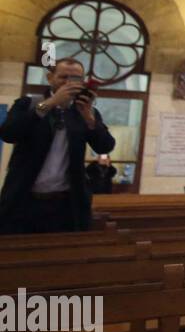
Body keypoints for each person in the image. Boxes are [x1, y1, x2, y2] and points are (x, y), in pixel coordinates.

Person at [0, 57, 116, 234]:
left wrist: (91, 121)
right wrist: (50, 103)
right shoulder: (28, 104)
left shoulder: (85, 111)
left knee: (62, 255)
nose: (69, 83)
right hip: (24, 201)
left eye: (76, 79)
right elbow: (9, 133)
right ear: (50, 78)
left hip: (66, 205)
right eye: (63, 77)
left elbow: (105, 146)